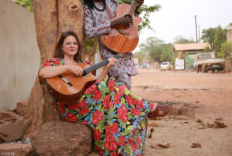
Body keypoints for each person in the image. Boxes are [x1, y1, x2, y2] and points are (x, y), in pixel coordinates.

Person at [38, 31, 171, 156]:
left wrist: (107, 67)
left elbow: (97, 84)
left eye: (75, 43)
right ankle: (148, 107)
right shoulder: (55, 62)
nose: (72, 45)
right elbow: (42, 73)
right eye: (68, 43)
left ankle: (124, 148)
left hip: (86, 102)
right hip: (69, 107)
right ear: (61, 46)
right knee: (112, 85)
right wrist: (68, 67)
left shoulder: (84, 64)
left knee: (114, 93)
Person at [83, 0, 144, 89]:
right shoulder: (87, 9)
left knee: (122, 84)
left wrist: (136, 8)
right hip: (109, 49)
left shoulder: (113, 3)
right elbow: (90, 31)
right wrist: (113, 23)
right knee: (123, 82)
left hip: (125, 45)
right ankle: (128, 105)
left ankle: (119, 106)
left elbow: (129, 20)